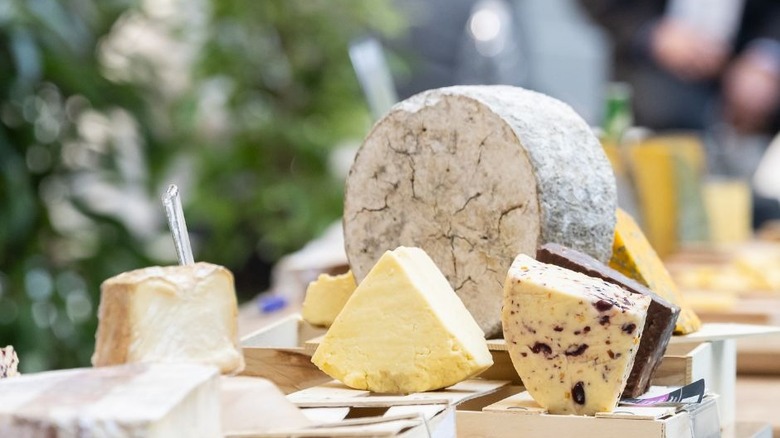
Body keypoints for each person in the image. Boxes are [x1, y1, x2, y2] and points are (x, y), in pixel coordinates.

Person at [580, 0, 780, 135]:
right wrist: (652, 31)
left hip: (748, 56)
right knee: (666, 116)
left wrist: (765, 58)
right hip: (654, 62)